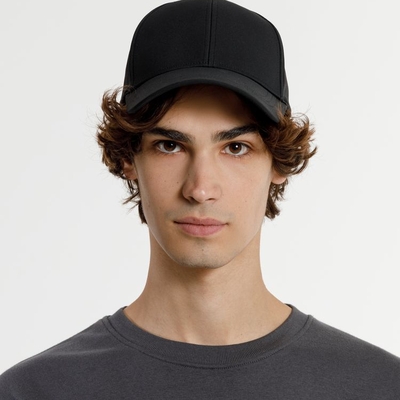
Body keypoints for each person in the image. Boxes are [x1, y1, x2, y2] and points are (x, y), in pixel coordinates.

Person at [0, 0, 399, 398]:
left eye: (236, 147)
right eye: (169, 145)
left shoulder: (380, 386)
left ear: (279, 161)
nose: (200, 188)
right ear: (128, 159)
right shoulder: (33, 391)